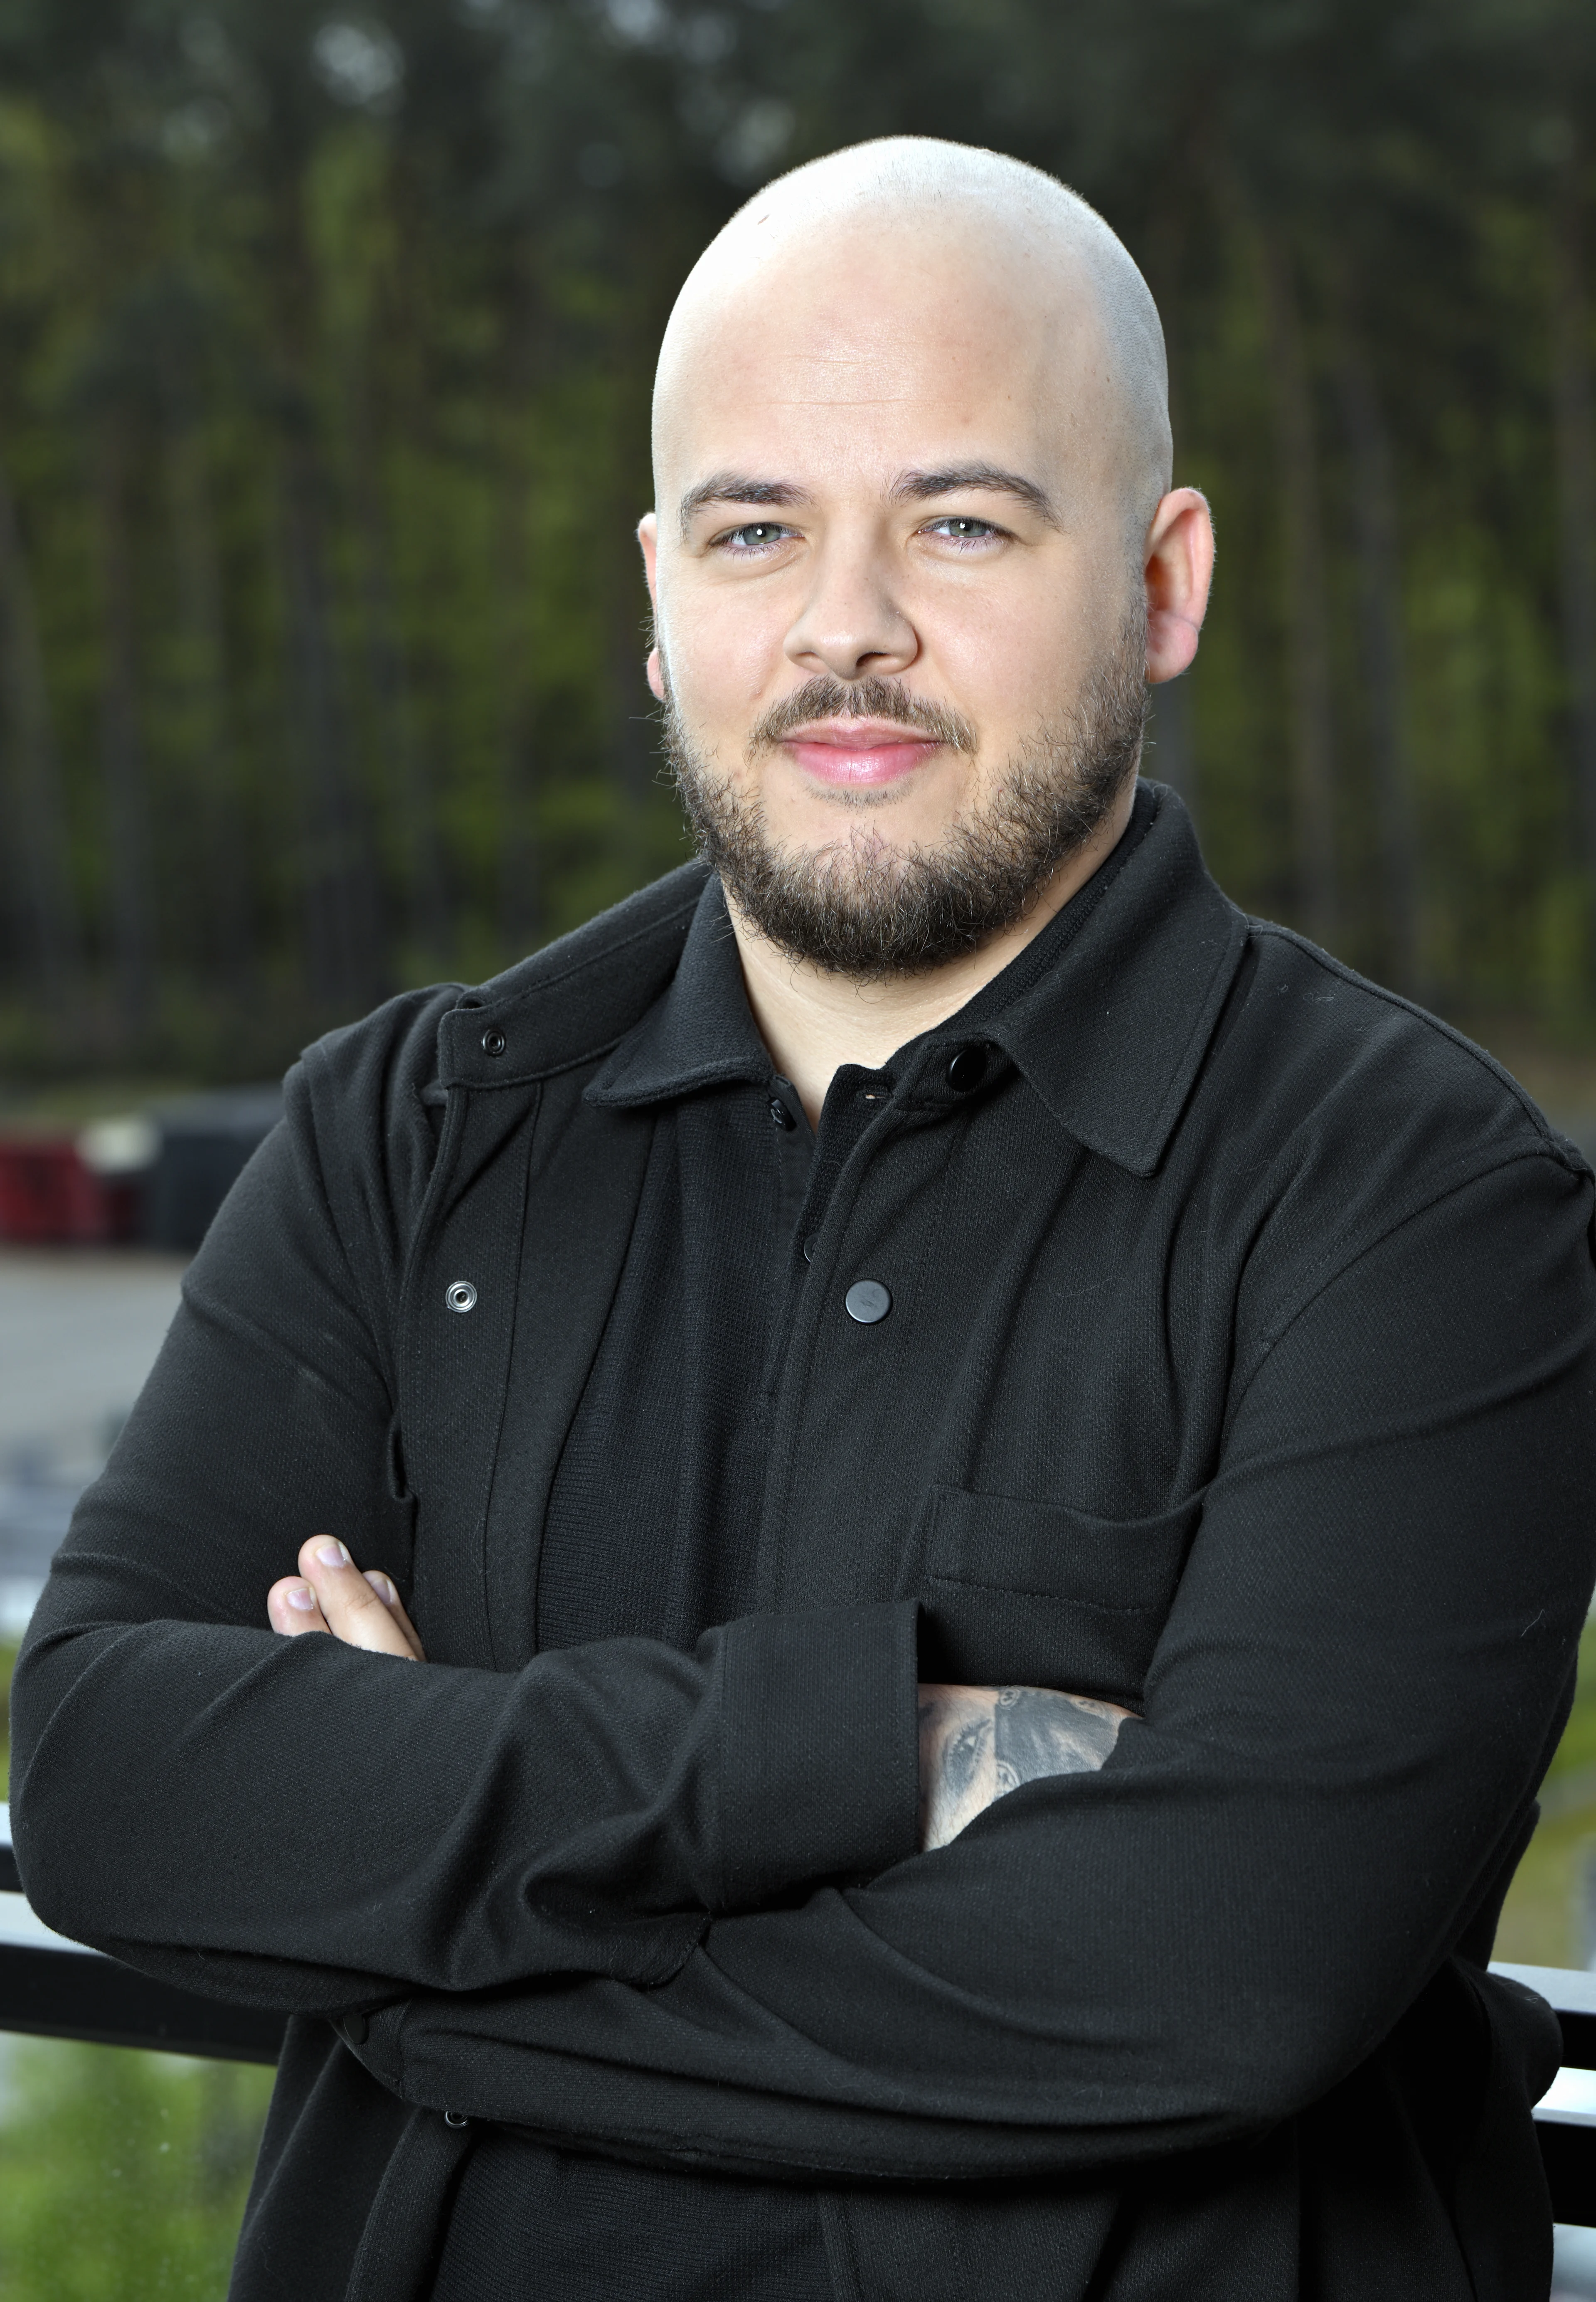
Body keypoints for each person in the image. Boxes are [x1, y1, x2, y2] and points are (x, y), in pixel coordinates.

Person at [12, 135, 1596, 2302]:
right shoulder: (411, 1129)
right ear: (661, 598)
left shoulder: (1424, 1205)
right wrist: (871, 1744)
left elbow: (1216, 1990)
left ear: (1163, 578)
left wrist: (413, 1910)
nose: (847, 626)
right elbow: (110, 1776)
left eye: (959, 519)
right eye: (761, 530)